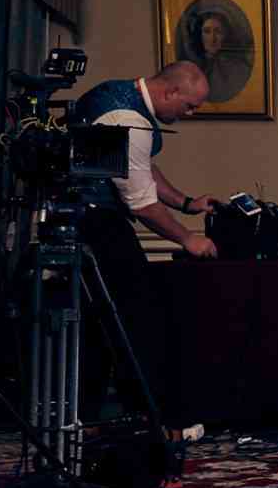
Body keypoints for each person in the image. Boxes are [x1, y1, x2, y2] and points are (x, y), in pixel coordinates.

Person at [69, 62, 225, 431]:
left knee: (113, 320)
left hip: (91, 217)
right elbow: (141, 204)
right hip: (92, 220)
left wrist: (186, 203)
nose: (190, 114)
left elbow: (142, 167)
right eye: (190, 106)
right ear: (171, 92)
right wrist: (188, 238)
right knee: (138, 319)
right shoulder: (128, 119)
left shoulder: (119, 93)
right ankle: (151, 418)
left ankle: (115, 415)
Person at [186, 8, 252, 104]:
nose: (212, 38)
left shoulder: (240, 68)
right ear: (200, 35)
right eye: (207, 31)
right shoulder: (190, 68)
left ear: (226, 35)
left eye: (218, 32)